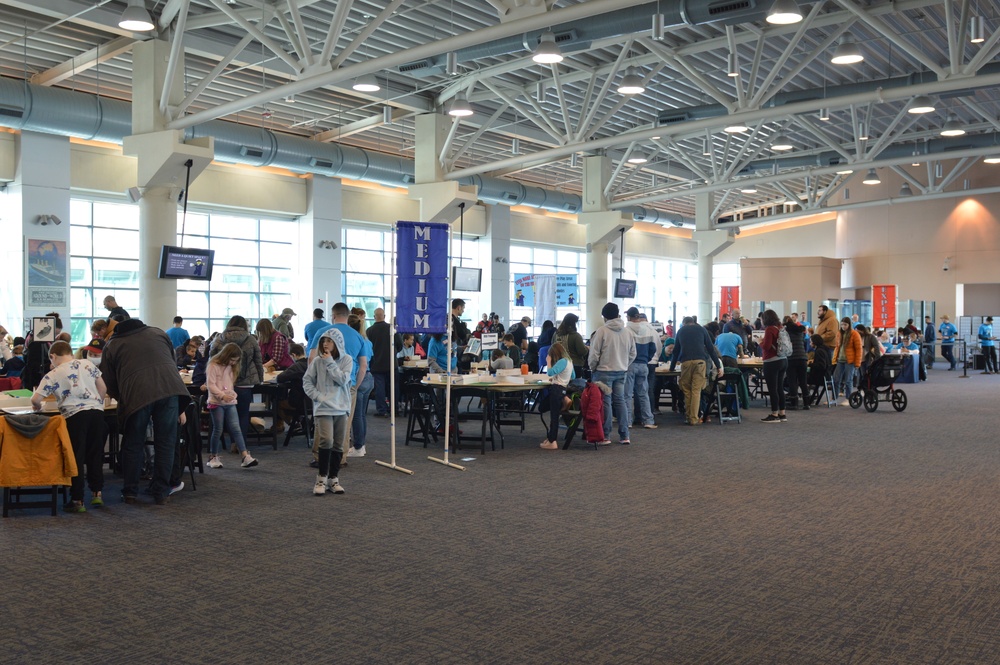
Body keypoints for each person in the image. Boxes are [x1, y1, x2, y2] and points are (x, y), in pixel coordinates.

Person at [101, 317, 190, 505]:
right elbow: (172, 363)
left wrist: (124, 397)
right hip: (170, 390)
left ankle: (131, 492)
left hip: (137, 395)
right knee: (166, 442)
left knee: (133, 443)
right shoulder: (158, 332)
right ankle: (161, 492)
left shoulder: (113, 344)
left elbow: (108, 381)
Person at [30, 340, 106, 512]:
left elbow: (35, 399)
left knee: (76, 457)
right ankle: (97, 494)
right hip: (96, 413)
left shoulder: (53, 374)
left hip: (74, 416)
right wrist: (97, 403)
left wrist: (37, 407)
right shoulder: (87, 364)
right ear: (70, 353)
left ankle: (77, 500)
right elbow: (102, 387)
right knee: (95, 453)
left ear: (53, 356)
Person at [302, 328, 351, 496]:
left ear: (337, 343)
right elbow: (307, 381)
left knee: (338, 444)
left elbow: (343, 380)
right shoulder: (317, 361)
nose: (325, 344)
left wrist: (330, 362)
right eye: (323, 341)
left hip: (341, 407)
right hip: (323, 407)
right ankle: (321, 478)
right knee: (326, 441)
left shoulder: (346, 360)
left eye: (328, 341)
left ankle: (333, 478)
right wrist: (317, 397)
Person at [204, 343, 259, 470]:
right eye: (232, 360)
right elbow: (211, 385)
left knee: (236, 428)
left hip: (229, 402)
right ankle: (213, 456)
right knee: (218, 429)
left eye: (236, 361)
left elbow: (229, 384)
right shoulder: (213, 365)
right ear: (226, 355)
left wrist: (230, 394)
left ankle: (245, 456)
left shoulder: (230, 367)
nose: (234, 363)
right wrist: (222, 395)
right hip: (216, 402)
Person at [589, 302, 636, 445]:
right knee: (620, 401)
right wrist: (624, 364)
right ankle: (624, 435)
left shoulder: (601, 331)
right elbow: (633, 353)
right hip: (621, 371)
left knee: (606, 403)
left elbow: (594, 354)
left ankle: (606, 435)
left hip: (603, 371)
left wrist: (593, 368)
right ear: (618, 314)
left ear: (604, 317)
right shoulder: (627, 332)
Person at [210, 316, 264, 441]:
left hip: (224, 382)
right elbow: (258, 361)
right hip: (245, 383)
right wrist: (260, 379)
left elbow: (211, 359)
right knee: (243, 414)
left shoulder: (219, 339)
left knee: (227, 413)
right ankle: (240, 443)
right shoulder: (251, 339)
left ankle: (229, 440)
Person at [670, 316, 722, 426]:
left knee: (687, 390)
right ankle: (693, 418)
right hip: (700, 362)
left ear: (684, 323)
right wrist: (718, 366)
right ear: (693, 322)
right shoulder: (702, 330)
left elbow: (675, 351)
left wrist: (671, 367)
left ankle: (689, 417)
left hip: (686, 362)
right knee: (696, 390)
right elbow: (711, 349)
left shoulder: (681, 331)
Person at [624, 307, 658, 430]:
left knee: (627, 395)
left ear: (628, 317)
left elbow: (624, 348)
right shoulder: (648, 330)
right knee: (643, 394)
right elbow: (653, 348)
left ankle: (628, 421)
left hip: (629, 365)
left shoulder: (626, 330)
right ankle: (648, 420)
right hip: (644, 365)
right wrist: (646, 359)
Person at [347, 314, 374, 458]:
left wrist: (355, 386)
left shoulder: (355, 340)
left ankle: (358, 446)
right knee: (361, 415)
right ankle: (361, 445)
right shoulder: (367, 341)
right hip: (369, 378)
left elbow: (360, 365)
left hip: (360, 378)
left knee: (356, 416)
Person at [540, 342, 575, 450]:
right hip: (563, 389)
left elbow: (550, 372)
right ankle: (565, 399)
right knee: (546, 409)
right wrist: (560, 377)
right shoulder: (569, 361)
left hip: (556, 389)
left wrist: (548, 361)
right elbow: (573, 376)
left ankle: (552, 441)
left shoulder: (562, 361)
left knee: (553, 416)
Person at [758, 310, 788, 423]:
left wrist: (759, 342)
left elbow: (766, 346)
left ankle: (774, 414)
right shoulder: (780, 327)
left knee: (772, 388)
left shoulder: (769, 329)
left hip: (772, 361)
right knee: (779, 387)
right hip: (783, 360)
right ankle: (782, 413)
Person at [367, 308, 392, 417]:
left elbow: (367, 348)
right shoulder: (391, 329)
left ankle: (381, 410)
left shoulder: (369, 331)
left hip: (376, 364)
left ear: (374, 317)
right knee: (392, 387)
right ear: (384, 316)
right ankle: (394, 409)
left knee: (380, 388)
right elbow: (399, 345)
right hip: (391, 363)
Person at [832, 317, 862, 406]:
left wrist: (857, 363)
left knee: (848, 380)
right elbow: (837, 347)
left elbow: (859, 349)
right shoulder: (839, 333)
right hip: (840, 360)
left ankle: (849, 399)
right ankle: (834, 398)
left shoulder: (855, 334)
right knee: (836, 380)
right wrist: (834, 359)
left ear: (849, 325)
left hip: (850, 361)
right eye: (842, 324)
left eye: (845, 324)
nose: (843, 326)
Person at [784, 314, 809, 410]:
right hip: (802, 358)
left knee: (792, 381)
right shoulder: (800, 331)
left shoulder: (786, 332)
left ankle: (794, 403)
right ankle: (807, 403)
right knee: (803, 381)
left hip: (791, 358)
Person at [554, 313, 588, 378]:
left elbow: (553, 348)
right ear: (573, 324)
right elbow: (582, 352)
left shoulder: (556, 335)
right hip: (575, 364)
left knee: (561, 384)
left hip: (559, 364)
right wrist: (587, 348)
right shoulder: (576, 336)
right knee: (575, 385)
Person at [807, 333, 833, 405]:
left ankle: (806, 397)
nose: (810, 343)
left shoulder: (819, 351)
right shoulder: (826, 349)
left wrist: (810, 364)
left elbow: (821, 366)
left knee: (800, 378)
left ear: (814, 342)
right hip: (827, 375)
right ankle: (810, 397)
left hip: (819, 377)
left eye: (811, 341)